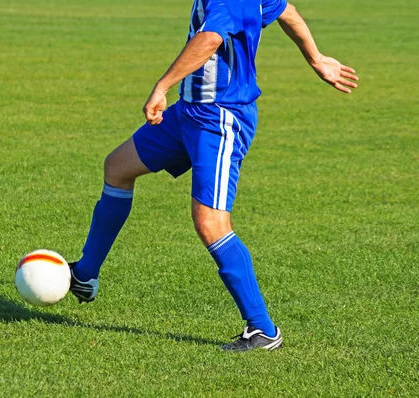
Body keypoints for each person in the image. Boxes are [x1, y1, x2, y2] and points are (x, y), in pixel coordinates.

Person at [68, 0, 358, 351]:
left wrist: (161, 86)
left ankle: (263, 330)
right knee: (117, 167)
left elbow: (209, 38)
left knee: (211, 222)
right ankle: (85, 275)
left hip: (219, 119)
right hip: (188, 113)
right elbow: (286, 10)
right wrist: (316, 58)